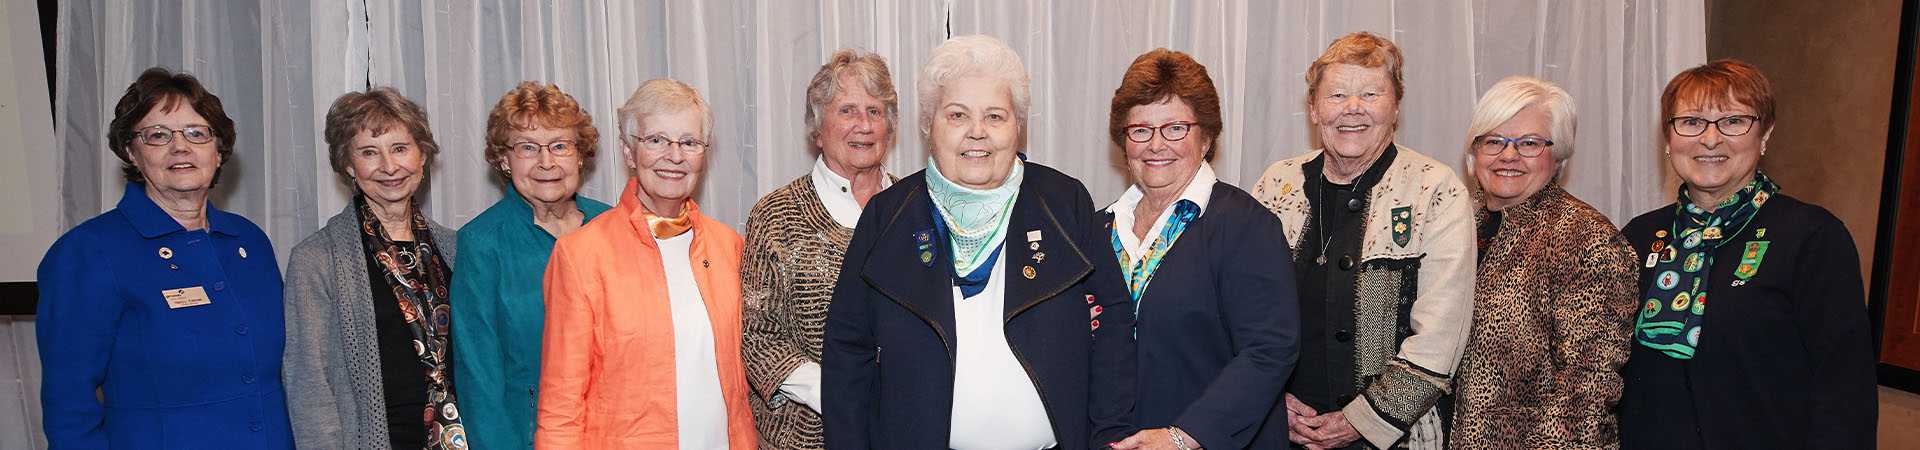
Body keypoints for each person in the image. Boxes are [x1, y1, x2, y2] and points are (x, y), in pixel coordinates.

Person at [820, 34, 1135, 450]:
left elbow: (1114, 317)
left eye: (995, 116)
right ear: (929, 126)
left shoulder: (1065, 202)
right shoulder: (886, 216)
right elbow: (846, 352)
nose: (977, 132)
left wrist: (1109, 435)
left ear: (1018, 128)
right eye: (957, 115)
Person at [1616, 59, 1877, 449]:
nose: (1710, 139)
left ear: (1765, 134)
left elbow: (1844, 389)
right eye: (1691, 122)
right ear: (1669, 139)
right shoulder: (1639, 235)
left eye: (1733, 121)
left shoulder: (1812, 237)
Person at [37, 67, 294, 448]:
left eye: (196, 132)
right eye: (157, 135)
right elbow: (68, 403)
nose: (180, 147)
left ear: (218, 150)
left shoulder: (249, 241)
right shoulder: (89, 251)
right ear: (131, 152)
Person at [1247, 32, 1475, 450]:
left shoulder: (1435, 190)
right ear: (1314, 109)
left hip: (1396, 438)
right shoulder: (1275, 185)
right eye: (1336, 95)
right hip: (1278, 430)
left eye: (1371, 93)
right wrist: (1269, 398)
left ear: (1396, 108)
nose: (1352, 108)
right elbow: (1240, 311)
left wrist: (1361, 422)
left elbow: (1442, 338)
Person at [536, 79, 758, 449]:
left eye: (689, 142)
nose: (674, 156)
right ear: (627, 151)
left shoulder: (730, 247)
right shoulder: (581, 256)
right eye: (656, 140)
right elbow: (561, 406)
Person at [1101, 49, 1301, 450]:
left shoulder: (1246, 225)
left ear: (1206, 137)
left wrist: (1182, 437)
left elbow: (1269, 350)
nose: (1156, 144)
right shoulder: (1096, 228)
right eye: (1140, 129)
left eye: (1175, 128)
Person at [1446, 76, 1638, 449]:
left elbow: (1588, 387)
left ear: (1559, 155)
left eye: (1530, 143)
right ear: (1475, 151)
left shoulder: (1587, 239)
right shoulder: (1452, 225)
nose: (1508, 155)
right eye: (1493, 140)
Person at [284, 87, 466, 449]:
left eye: (400, 148)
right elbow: (308, 382)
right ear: (348, 165)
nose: (389, 166)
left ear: (423, 155)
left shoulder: (457, 246)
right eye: (369, 152)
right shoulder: (316, 259)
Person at [741, 48, 899, 449]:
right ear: (817, 128)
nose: (863, 125)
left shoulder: (916, 208)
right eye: (846, 111)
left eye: (875, 112)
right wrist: (838, 392)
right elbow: (757, 336)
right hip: (807, 437)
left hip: (904, 429)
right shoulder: (776, 214)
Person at [449, 81, 612, 450]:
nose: (546, 162)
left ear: (581, 155)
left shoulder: (613, 227)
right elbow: (479, 380)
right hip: (529, 438)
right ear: (504, 160)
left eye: (560, 146)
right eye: (527, 147)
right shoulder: (481, 242)